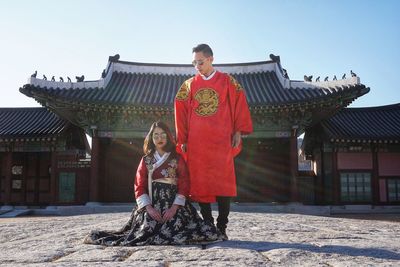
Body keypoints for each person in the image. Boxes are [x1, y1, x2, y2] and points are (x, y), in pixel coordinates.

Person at [84, 121, 222, 246]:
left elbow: (184, 183)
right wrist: (149, 208)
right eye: (156, 135)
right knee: (148, 227)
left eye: (163, 135)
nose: (159, 138)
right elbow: (139, 185)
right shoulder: (146, 160)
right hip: (152, 204)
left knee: (191, 227)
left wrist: (174, 208)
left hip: (174, 204)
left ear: (168, 136)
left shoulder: (177, 158)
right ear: (151, 138)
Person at [174, 44, 253, 239]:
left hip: (220, 141)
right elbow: (180, 110)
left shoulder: (227, 81)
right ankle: (208, 224)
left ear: (211, 59)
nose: (197, 66)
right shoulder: (188, 85)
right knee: (201, 182)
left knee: (223, 182)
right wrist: (182, 137)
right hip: (197, 142)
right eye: (194, 63)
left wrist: (238, 131)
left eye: (200, 62)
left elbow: (239, 103)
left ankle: (222, 226)